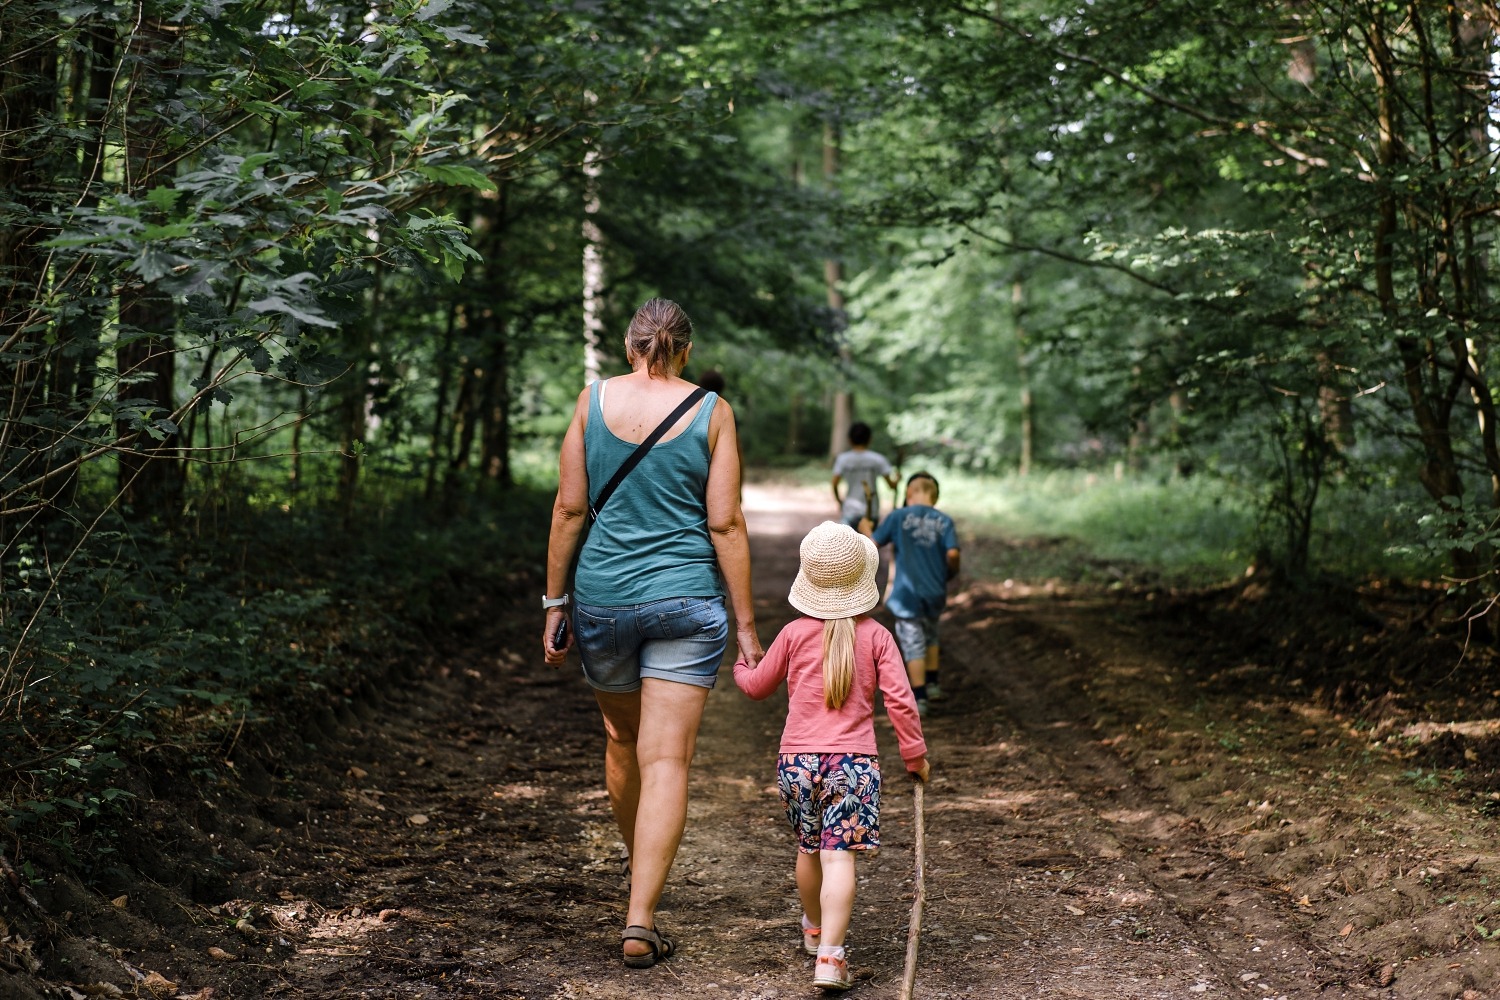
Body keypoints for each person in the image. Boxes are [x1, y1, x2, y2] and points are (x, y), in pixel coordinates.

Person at [543, 297, 763, 968]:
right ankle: (640, 916)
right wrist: (750, 625)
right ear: (686, 352)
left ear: (629, 345)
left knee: (621, 737)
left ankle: (641, 869)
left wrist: (555, 602)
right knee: (666, 760)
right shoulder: (712, 412)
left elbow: (570, 507)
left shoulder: (591, 402)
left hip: (604, 600)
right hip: (686, 601)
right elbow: (725, 523)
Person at [733, 521, 930, 992]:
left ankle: (814, 927)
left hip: (796, 765)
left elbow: (757, 688)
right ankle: (830, 957)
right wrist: (915, 756)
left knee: (809, 848)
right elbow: (901, 701)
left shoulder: (793, 633)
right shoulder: (878, 636)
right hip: (854, 766)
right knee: (838, 858)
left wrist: (743, 665)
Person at [859, 472, 959, 716]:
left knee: (913, 642)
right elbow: (953, 554)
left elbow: (872, 546)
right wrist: (949, 574)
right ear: (934, 497)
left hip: (907, 595)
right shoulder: (945, 521)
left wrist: (864, 529)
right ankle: (933, 684)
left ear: (908, 494)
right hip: (935, 590)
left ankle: (921, 696)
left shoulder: (898, 516)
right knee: (931, 634)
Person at [831, 422, 898, 529]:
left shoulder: (843, 459)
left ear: (849, 439)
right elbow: (891, 486)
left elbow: (834, 483)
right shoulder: (878, 459)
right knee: (870, 544)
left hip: (850, 509)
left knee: (848, 544)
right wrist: (897, 480)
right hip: (871, 510)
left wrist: (840, 501)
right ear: (870, 439)